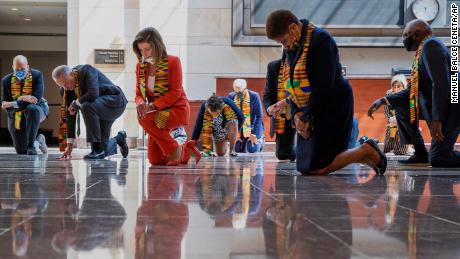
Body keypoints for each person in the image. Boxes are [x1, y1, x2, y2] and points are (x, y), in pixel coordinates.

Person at [265, 10, 387, 175]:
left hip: (332, 104)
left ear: (293, 28)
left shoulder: (321, 40)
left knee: (317, 167)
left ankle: (366, 150)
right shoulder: (291, 45)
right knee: (303, 166)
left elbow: (324, 85)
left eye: (284, 41)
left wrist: (306, 117)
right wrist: (296, 114)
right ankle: (363, 155)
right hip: (308, 107)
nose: (284, 46)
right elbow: (291, 84)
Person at [368, 19, 460, 167]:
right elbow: (414, 90)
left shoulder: (431, 46)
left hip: (452, 107)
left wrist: (437, 119)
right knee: (402, 105)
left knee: (439, 159)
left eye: (405, 35)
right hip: (445, 105)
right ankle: (420, 153)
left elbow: (441, 84)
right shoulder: (424, 49)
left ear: (416, 35)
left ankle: (435, 154)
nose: (403, 39)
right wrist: (384, 100)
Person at [133, 27, 200, 166]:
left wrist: (151, 106)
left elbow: (175, 92)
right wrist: (140, 103)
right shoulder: (140, 67)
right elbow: (139, 94)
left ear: (157, 46)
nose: (144, 54)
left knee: (144, 117)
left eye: (148, 49)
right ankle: (186, 150)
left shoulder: (173, 61)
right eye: (141, 50)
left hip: (176, 109)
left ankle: (175, 149)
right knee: (156, 160)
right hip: (155, 112)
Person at [52, 64, 129, 160]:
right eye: (62, 86)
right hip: (96, 109)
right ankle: (119, 138)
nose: (66, 88)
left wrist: (76, 102)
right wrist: (69, 146)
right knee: (103, 150)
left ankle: (96, 149)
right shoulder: (65, 90)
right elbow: (70, 116)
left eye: (67, 83)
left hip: (115, 102)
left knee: (87, 105)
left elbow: (93, 94)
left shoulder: (86, 70)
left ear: (72, 74)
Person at [1, 55, 48, 155]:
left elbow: (36, 99)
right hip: (16, 114)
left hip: (38, 109)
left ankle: (31, 145)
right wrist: (21, 98)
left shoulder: (37, 75)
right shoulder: (6, 80)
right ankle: (39, 140)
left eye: (22, 68)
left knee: (32, 109)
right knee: (21, 151)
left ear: (27, 66)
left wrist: (12, 103)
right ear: (12, 67)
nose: (19, 71)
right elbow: (4, 104)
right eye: (17, 69)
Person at [263, 59, 296, 161]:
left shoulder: (307, 63)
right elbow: (267, 95)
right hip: (284, 115)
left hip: (305, 111)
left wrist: (286, 101)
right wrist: (270, 108)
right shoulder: (274, 66)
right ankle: (297, 151)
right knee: (282, 155)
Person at [228, 78, 265, 153]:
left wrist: (255, 134)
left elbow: (259, 116)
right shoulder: (231, 96)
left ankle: (260, 140)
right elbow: (230, 116)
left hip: (253, 126)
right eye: (237, 93)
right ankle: (244, 142)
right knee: (238, 149)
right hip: (239, 127)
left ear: (245, 89)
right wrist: (234, 134)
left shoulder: (254, 96)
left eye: (240, 93)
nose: (238, 95)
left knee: (252, 149)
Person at [383, 74, 410, 155]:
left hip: (405, 120)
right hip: (392, 119)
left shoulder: (406, 94)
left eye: (399, 86)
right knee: (391, 127)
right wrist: (390, 119)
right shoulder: (389, 94)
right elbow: (386, 109)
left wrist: (400, 119)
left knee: (400, 152)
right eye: (394, 86)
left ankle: (403, 149)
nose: (396, 88)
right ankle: (389, 149)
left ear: (403, 86)